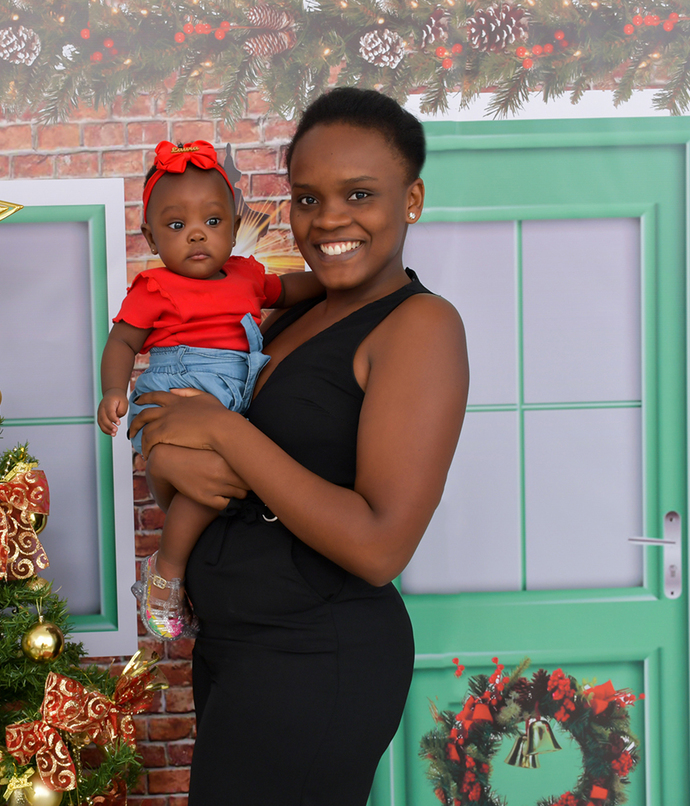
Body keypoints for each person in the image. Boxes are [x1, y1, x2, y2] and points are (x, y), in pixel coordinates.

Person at [129, 88, 469, 804]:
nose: (329, 219)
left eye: (359, 194)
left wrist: (224, 432)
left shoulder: (421, 326)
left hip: (316, 652)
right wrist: (167, 454)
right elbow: (198, 476)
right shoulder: (289, 316)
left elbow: (379, 548)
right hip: (236, 643)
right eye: (308, 199)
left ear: (411, 200)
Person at [98, 139, 323, 639]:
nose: (197, 234)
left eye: (213, 221)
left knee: (233, 480)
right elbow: (122, 341)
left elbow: (288, 290)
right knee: (211, 483)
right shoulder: (155, 288)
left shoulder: (246, 275)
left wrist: (332, 278)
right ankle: (166, 573)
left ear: (234, 227)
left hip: (232, 394)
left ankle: (189, 571)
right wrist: (113, 389)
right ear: (150, 237)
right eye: (177, 226)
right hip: (181, 390)